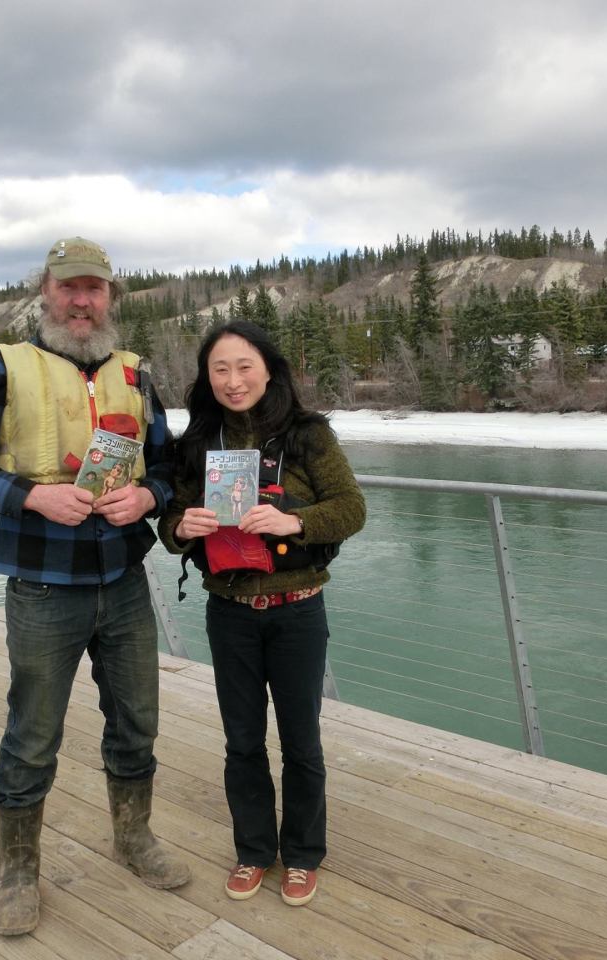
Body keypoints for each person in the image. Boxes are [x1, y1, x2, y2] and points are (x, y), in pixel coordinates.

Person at [0, 237, 190, 937]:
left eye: (95, 290)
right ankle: (18, 871)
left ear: (111, 299)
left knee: (137, 724)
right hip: (44, 587)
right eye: (70, 287)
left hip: (124, 581)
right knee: (32, 736)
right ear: (45, 291)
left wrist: (149, 498)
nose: (83, 301)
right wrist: (27, 496)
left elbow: (169, 468)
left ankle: (133, 838)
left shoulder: (136, 376)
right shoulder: (2, 367)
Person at [159, 320, 365, 907]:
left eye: (244, 366)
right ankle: (254, 851)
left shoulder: (307, 435)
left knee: (301, 741)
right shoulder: (196, 444)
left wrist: (294, 521)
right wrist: (181, 525)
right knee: (242, 740)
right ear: (206, 378)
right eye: (219, 369)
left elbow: (351, 508)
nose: (232, 380)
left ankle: (302, 855)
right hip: (230, 613)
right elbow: (169, 523)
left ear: (269, 369)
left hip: (298, 610)